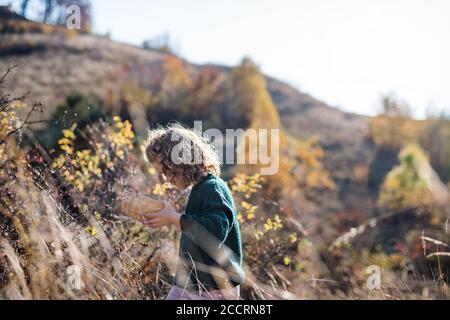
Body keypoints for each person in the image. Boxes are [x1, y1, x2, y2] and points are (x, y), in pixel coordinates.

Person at [141, 124, 245, 300]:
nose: (166, 179)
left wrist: (175, 218)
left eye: (166, 171)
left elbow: (215, 230)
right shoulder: (200, 189)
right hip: (190, 283)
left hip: (214, 288)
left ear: (182, 162)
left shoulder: (212, 188)